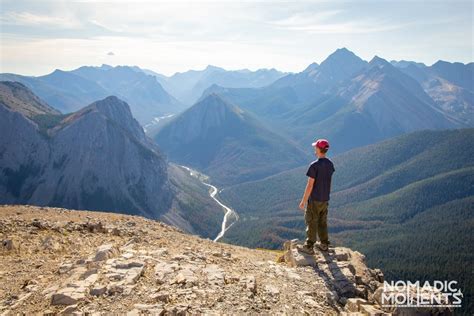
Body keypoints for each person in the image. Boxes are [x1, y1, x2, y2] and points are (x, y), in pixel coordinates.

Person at [298, 138, 335, 254]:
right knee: (322, 222)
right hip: (325, 198)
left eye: (316, 147)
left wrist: (303, 201)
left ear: (319, 149)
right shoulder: (330, 164)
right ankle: (324, 244)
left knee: (312, 221)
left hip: (314, 199)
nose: (314, 148)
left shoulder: (314, 166)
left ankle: (309, 246)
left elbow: (310, 185)